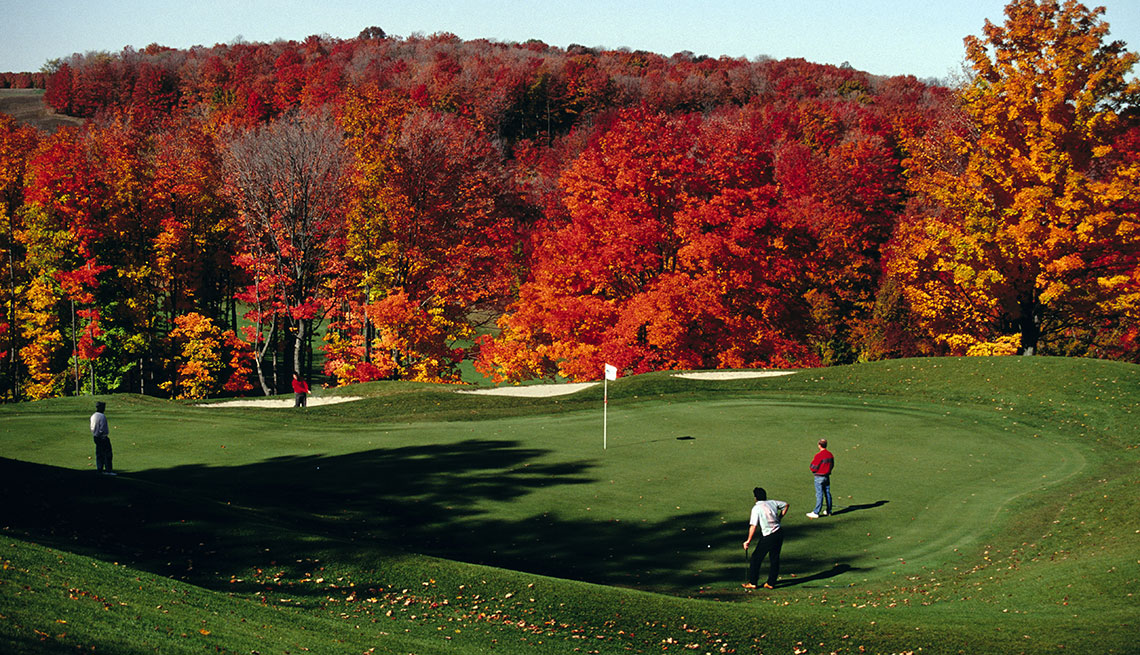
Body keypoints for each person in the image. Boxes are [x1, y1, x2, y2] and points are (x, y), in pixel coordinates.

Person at [742, 486, 788, 589]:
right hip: (779, 532)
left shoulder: (756, 508)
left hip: (768, 535)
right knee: (774, 558)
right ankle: (771, 583)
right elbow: (786, 505)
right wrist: (780, 518)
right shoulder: (772, 503)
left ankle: (753, 582)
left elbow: (753, 526)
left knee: (756, 558)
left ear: (755, 498)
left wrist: (748, 541)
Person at [806, 438, 834, 519]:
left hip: (819, 477)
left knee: (819, 494)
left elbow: (813, 467)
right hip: (827, 476)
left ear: (819, 445)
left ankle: (816, 512)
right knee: (827, 493)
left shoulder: (819, 455)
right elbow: (832, 465)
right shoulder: (830, 454)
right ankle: (829, 510)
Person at [90, 401, 114, 475]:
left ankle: (99, 469)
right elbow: (103, 428)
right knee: (107, 454)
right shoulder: (102, 416)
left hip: (96, 437)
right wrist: (102, 436)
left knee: (99, 453)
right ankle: (108, 470)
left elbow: (92, 427)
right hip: (102, 437)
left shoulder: (93, 415)